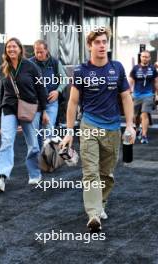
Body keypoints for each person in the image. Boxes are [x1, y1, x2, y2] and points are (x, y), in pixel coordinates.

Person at [60, 27, 135, 232]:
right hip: (89, 125)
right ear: (90, 46)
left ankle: (100, 203)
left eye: (104, 42)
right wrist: (69, 131)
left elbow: (126, 97)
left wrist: (129, 125)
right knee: (90, 172)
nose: (102, 46)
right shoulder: (81, 71)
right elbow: (73, 103)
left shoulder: (117, 68)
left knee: (107, 174)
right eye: (98, 42)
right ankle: (93, 214)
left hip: (112, 128)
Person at [0, 37, 48, 192]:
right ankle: (1, 177)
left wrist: (43, 111)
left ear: (20, 49)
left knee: (33, 144)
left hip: (30, 108)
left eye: (14, 47)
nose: (11, 49)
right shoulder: (4, 68)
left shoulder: (31, 67)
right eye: (8, 47)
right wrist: (2, 107)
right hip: (9, 108)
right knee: (7, 141)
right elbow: (2, 91)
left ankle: (35, 173)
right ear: (6, 51)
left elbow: (41, 90)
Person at [30, 40, 67, 139]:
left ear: (46, 50)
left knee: (49, 131)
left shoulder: (55, 62)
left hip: (51, 102)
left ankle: (50, 153)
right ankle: (39, 154)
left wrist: (58, 91)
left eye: (41, 52)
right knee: (35, 133)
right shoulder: (29, 63)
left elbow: (65, 79)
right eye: (36, 52)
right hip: (35, 104)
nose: (38, 54)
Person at [129, 51, 158, 144]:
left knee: (144, 114)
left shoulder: (153, 69)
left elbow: (156, 82)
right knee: (135, 116)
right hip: (136, 95)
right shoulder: (135, 68)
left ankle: (144, 135)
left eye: (147, 57)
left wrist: (157, 94)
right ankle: (138, 128)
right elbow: (131, 81)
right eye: (143, 56)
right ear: (140, 57)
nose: (145, 58)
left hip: (148, 95)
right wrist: (129, 93)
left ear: (149, 58)